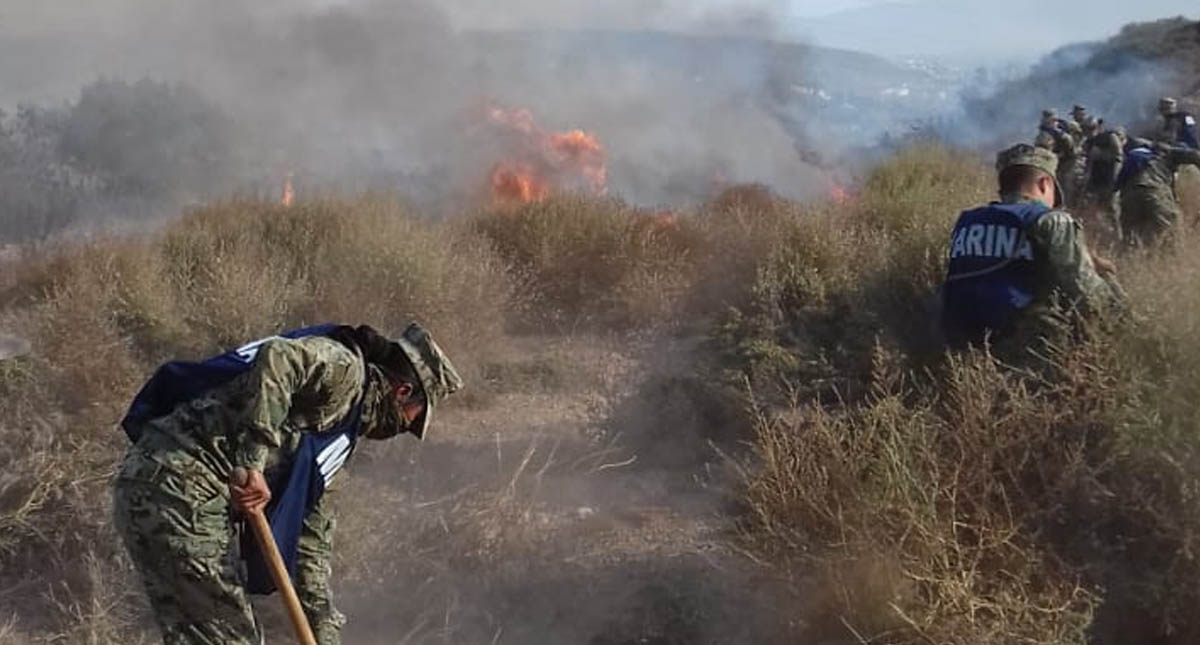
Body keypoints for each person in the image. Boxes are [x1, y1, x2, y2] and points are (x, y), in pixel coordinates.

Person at [113, 322, 463, 645]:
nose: (402, 428)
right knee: (232, 638)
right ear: (403, 391)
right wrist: (252, 461)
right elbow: (280, 357)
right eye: (413, 419)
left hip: (159, 488)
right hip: (180, 482)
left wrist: (324, 634)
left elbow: (311, 552)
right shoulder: (345, 370)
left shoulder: (333, 444)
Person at [941, 144, 1121, 364]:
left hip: (958, 342)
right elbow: (1087, 293)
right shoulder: (1051, 219)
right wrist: (1122, 309)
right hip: (1025, 348)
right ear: (1045, 184)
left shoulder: (967, 220)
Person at [1118, 137, 1200, 247]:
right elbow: (1195, 155)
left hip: (1128, 198)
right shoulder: (1167, 154)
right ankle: (1173, 256)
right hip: (1153, 190)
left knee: (1132, 240)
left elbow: (1116, 187)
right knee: (1173, 231)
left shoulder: (1135, 159)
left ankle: (1129, 256)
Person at [1081, 126, 1127, 238]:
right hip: (1099, 182)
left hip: (1105, 182)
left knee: (1110, 210)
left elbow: (1118, 159)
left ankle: (1116, 236)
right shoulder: (1092, 142)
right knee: (1099, 209)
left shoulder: (1107, 139)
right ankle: (1105, 234)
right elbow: (1089, 164)